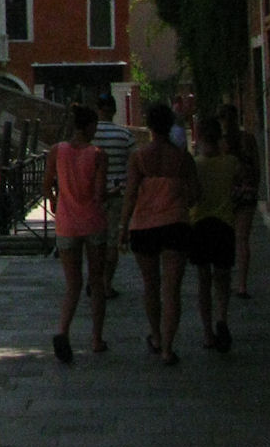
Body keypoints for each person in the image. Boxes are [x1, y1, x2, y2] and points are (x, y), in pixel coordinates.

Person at [122, 102, 198, 365]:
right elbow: (195, 194)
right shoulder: (183, 159)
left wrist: (122, 227)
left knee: (151, 286)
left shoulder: (139, 158)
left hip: (143, 226)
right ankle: (167, 348)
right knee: (172, 290)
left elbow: (130, 195)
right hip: (176, 225)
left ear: (150, 126)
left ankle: (155, 336)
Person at [41, 103, 109, 363]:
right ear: (89, 126)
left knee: (73, 284)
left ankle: (63, 330)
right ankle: (96, 339)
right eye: (95, 126)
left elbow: (46, 186)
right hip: (93, 222)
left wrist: (54, 202)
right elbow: (100, 194)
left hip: (66, 224)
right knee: (97, 281)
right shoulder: (98, 154)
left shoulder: (57, 151)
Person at [190, 117, 239, 352]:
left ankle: (207, 333)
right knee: (223, 277)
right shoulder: (231, 162)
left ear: (198, 137)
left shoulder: (195, 165)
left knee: (203, 281)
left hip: (199, 224)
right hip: (224, 224)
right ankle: (223, 318)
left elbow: (191, 197)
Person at [91, 94, 135, 297]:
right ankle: (106, 284)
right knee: (112, 242)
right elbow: (133, 166)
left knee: (94, 241)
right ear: (114, 110)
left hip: (94, 195)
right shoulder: (125, 135)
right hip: (117, 194)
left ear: (98, 109)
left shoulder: (90, 135)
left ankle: (94, 281)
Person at [220, 102, 262, 298]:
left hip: (228, 193)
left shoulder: (221, 143)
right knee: (242, 240)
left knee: (226, 239)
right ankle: (242, 285)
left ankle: (226, 280)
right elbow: (257, 167)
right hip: (247, 193)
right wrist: (254, 188)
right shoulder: (248, 139)